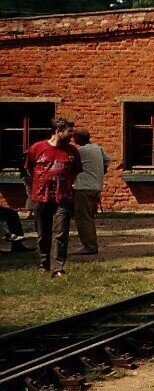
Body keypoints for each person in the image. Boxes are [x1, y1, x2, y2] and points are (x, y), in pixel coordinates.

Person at [24, 118, 79, 277]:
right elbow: (29, 170)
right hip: (41, 197)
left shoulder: (72, 151)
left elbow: (75, 171)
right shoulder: (37, 148)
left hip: (64, 198)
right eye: (69, 132)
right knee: (43, 233)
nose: (71, 135)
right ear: (58, 131)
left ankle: (58, 268)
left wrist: (67, 184)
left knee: (60, 232)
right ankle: (44, 264)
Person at [72, 125, 110, 255]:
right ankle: (91, 244)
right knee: (90, 217)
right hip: (96, 187)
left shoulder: (79, 151)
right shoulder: (98, 148)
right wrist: (99, 173)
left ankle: (89, 246)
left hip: (83, 187)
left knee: (83, 218)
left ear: (77, 138)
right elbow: (107, 161)